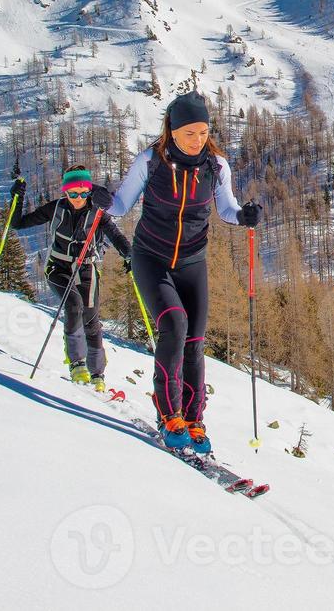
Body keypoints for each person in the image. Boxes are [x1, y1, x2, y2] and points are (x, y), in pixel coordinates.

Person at [109, 91, 262, 456]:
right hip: (151, 258)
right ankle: (169, 415)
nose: (198, 140)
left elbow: (226, 207)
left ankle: (194, 420)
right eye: (190, 133)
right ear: (173, 132)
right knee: (174, 326)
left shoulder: (217, 166)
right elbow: (120, 204)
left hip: (193, 262)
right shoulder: (150, 162)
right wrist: (100, 199)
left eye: (204, 132)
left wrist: (243, 216)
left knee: (194, 342)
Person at [11, 163, 130, 391]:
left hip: (87, 268)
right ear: (65, 192)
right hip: (59, 267)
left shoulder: (97, 213)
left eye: (83, 193)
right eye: (72, 193)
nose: (78, 198)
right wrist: (16, 198)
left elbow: (115, 235)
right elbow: (19, 223)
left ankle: (98, 374)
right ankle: (76, 363)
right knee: (73, 305)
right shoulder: (56, 208)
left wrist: (130, 255)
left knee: (91, 320)